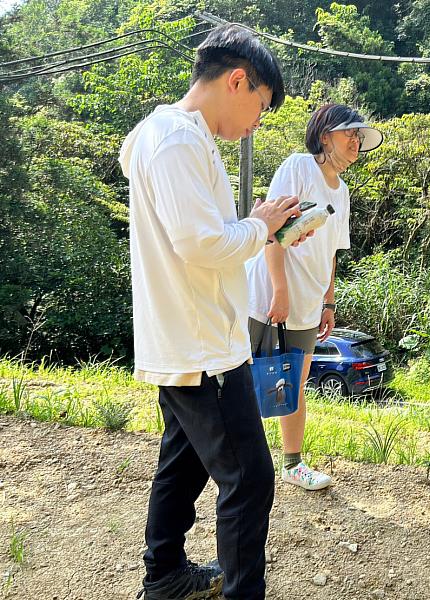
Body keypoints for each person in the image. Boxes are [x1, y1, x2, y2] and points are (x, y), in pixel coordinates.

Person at [119, 25, 302, 600]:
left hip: (183, 340)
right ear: (237, 80)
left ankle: (165, 573)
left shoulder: (170, 137)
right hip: (203, 347)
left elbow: (203, 234)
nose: (257, 122)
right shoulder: (177, 140)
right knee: (249, 482)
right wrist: (262, 225)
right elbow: (200, 244)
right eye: (261, 106)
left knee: (184, 463)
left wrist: (255, 222)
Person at [246, 103, 383, 491]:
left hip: (308, 303)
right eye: (349, 133)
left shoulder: (344, 192)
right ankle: (239, 460)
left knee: (294, 383)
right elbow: (273, 230)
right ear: (325, 136)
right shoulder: (299, 167)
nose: (356, 141)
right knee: (247, 380)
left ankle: (292, 463)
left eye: (359, 136)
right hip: (267, 296)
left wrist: (328, 302)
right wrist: (279, 290)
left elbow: (332, 253)